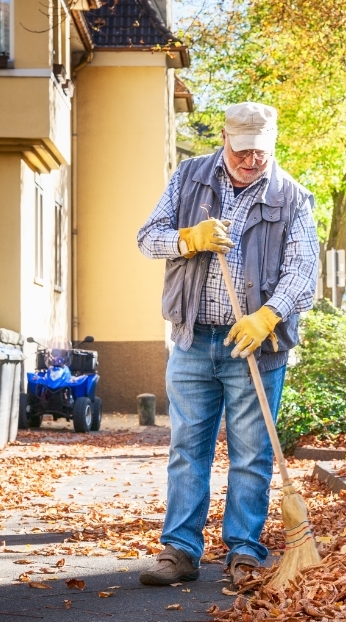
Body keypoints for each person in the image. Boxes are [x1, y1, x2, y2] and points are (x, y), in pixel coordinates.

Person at [135, 102, 319, 587]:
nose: (251, 160)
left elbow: (304, 273)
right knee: (187, 449)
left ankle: (244, 551)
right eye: (242, 151)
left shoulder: (292, 197)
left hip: (256, 348)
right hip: (193, 339)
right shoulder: (191, 178)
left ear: (272, 144)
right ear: (224, 139)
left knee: (252, 454)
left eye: (260, 151)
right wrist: (188, 239)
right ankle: (179, 551)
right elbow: (146, 239)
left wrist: (269, 315)